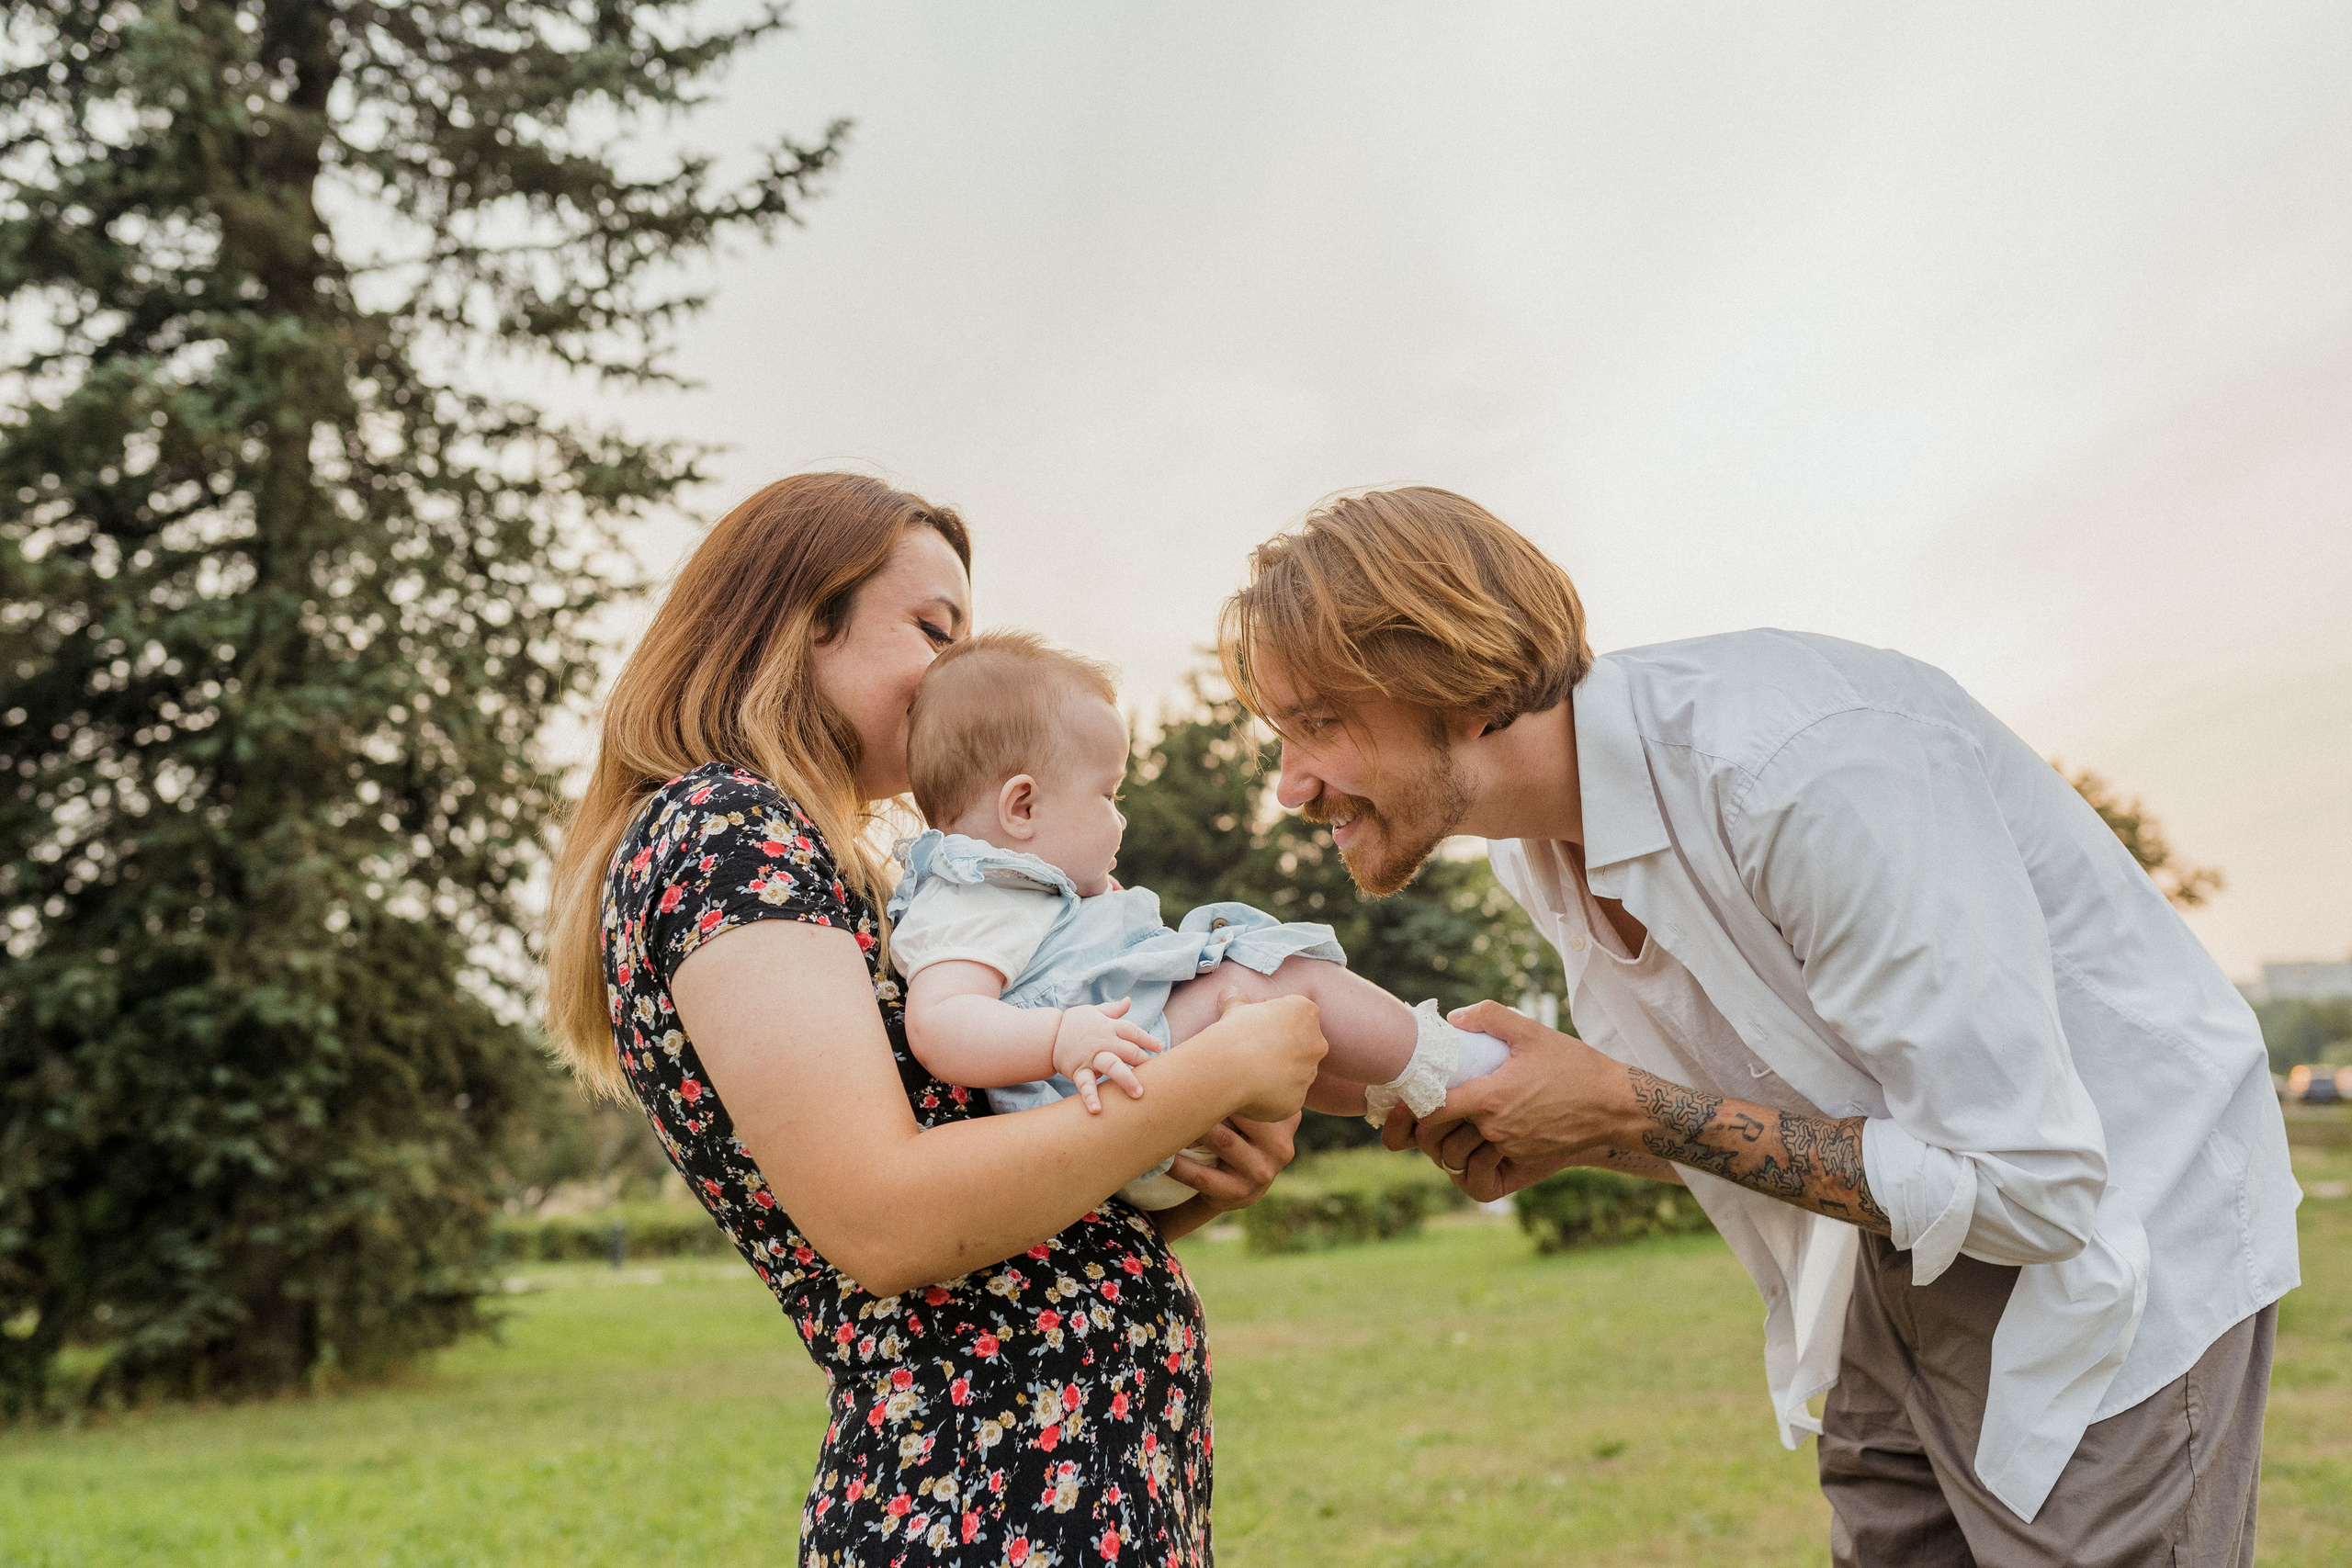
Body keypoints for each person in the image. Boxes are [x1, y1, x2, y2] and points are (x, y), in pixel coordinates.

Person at [1217, 485, 2300, 1566]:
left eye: (1320, 722)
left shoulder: (1802, 773)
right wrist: (1567, 1128)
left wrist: (1622, 1112)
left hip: (2118, 1231)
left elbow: (2034, 1189)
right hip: (1902, 1240)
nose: (1287, 784)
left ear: (1458, 684)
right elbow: (1737, 1118)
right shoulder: (1528, 849)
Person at [543, 473, 1329, 1567]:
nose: (954, 668)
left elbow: (994, 1243)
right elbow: (885, 1222)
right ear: (800, 618)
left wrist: (1180, 1172)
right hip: (980, 1507)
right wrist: (1224, 1065)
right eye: (930, 628)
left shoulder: (832, 867)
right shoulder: (728, 832)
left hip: (1044, 1498)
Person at [888, 629, 1510, 1208]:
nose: (1121, 818)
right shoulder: (975, 891)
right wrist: (1057, 1038)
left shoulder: (1033, 891)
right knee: (1285, 977)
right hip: (1097, 1100)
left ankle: (1428, 1095)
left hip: (1128, 1093)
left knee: (1298, 1027)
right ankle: (1477, 1067)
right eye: (1108, 795)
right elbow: (941, 1022)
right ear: (1022, 805)